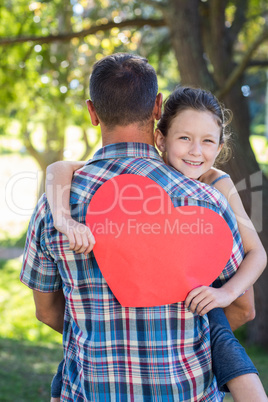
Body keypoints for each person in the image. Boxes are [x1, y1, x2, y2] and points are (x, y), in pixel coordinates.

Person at [20, 54, 264, 401]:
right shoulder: (206, 201)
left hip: (93, 389)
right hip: (186, 390)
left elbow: (46, 311)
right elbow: (243, 308)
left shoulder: (56, 203)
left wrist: (102, 341)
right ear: (157, 108)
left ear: (92, 112)